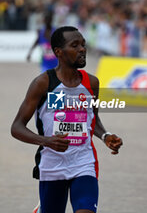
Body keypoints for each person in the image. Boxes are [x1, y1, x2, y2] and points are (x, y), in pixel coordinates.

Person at [11, 26, 123, 213]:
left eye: (83, 45)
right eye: (75, 45)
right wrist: (46, 141)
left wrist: (105, 136)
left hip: (83, 162)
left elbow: (92, 118)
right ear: (59, 52)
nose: (82, 49)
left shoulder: (92, 83)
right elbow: (16, 127)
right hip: (52, 165)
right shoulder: (43, 83)